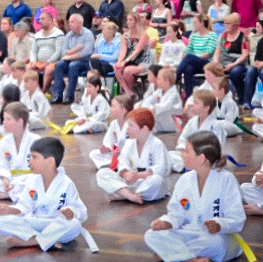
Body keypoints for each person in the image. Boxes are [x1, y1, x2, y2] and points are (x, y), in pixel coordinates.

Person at [144, 131, 245, 262]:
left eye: (187, 151)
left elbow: (237, 218)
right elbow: (177, 214)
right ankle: (190, 259)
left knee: (217, 244)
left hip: (218, 236)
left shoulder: (226, 180)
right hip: (189, 232)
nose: (182, 154)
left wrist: (219, 224)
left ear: (202, 158)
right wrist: (167, 222)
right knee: (151, 235)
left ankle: (173, 254)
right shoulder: (184, 180)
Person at [0, 137, 94, 252]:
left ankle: (30, 241)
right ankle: (45, 239)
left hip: (55, 224)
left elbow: (82, 213)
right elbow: (25, 206)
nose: (30, 161)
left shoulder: (67, 184)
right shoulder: (32, 180)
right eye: (30, 157)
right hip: (34, 222)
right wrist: (9, 210)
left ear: (50, 161)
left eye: (35, 157)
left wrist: (72, 212)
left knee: (74, 225)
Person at [95, 108, 170, 203]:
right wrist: (126, 174)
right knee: (102, 173)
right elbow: (122, 164)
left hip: (146, 182)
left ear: (144, 128)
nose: (127, 129)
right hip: (130, 182)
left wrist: (138, 176)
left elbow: (161, 170)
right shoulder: (129, 143)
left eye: (131, 126)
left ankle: (122, 194)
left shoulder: (157, 144)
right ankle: (129, 195)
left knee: (157, 181)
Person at [0, 103, 41, 200]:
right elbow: (2, 165)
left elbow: (40, 170)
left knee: (35, 181)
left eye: (8, 119)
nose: (4, 122)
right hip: (12, 179)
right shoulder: (5, 141)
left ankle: (5, 195)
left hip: (28, 178)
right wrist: (5, 179)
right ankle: (15, 192)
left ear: (20, 121)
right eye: (4, 119)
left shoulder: (36, 140)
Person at [167, 90, 226, 173]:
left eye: (196, 103)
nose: (192, 106)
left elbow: (216, 146)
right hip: (189, 155)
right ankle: (187, 165)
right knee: (168, 155)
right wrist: (186, 150)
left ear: (206, 108)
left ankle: (187, 166)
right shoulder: (192, 121)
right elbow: (183, 139)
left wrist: (195, 152)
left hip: (205, 158)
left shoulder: (216, 125)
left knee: (203, 162)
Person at [51, 14, 94, 103]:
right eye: (69, 22)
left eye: (72, 22)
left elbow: (87, 52)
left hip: (84, 62)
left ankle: (69, 95)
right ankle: (58, 95)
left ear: (80, 23)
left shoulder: (88, 34)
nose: (69, 24)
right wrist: (75, 50)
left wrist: (70, 54)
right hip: (69, 61)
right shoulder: (68, 35)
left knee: (73, 65)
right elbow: (63, 52)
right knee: (59, 65)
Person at [87, 94, 132, 169]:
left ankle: (118, 165)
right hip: (116, 153)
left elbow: (136, 145)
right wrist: (107, 149)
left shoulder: (132, 124)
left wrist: (122, 151)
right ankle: (115, 165)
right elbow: (109, 142)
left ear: (123, 110)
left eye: (113, 106)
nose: (110, 109)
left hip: (129, 154)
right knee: (93, 154)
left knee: (126, 157)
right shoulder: (114, 124)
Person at [177, 14, 217, 98]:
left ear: (202, 23)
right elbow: (187, 50)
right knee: (188, 69)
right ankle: (189, 97)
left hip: (207, 63)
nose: (193, 25)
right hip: (194, 62)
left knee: (189, 58)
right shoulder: (194, 36)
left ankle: (175, 78)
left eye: (195, 22)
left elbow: (208, 53)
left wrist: (193, 58)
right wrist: (186, 55)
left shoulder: (212, 35)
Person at [215, 13, 249, 104]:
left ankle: (241, 97)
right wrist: (216, 64)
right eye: (225, 23)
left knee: (235, 72)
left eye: (228, 23)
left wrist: (233, 65)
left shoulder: (242, 36)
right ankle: (219, 99)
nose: (226, 26)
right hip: (224, 61)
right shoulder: (223, 36)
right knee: (213, 70)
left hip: (238, 62)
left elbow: (245, 55)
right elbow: (217, 52)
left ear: (235, 25)